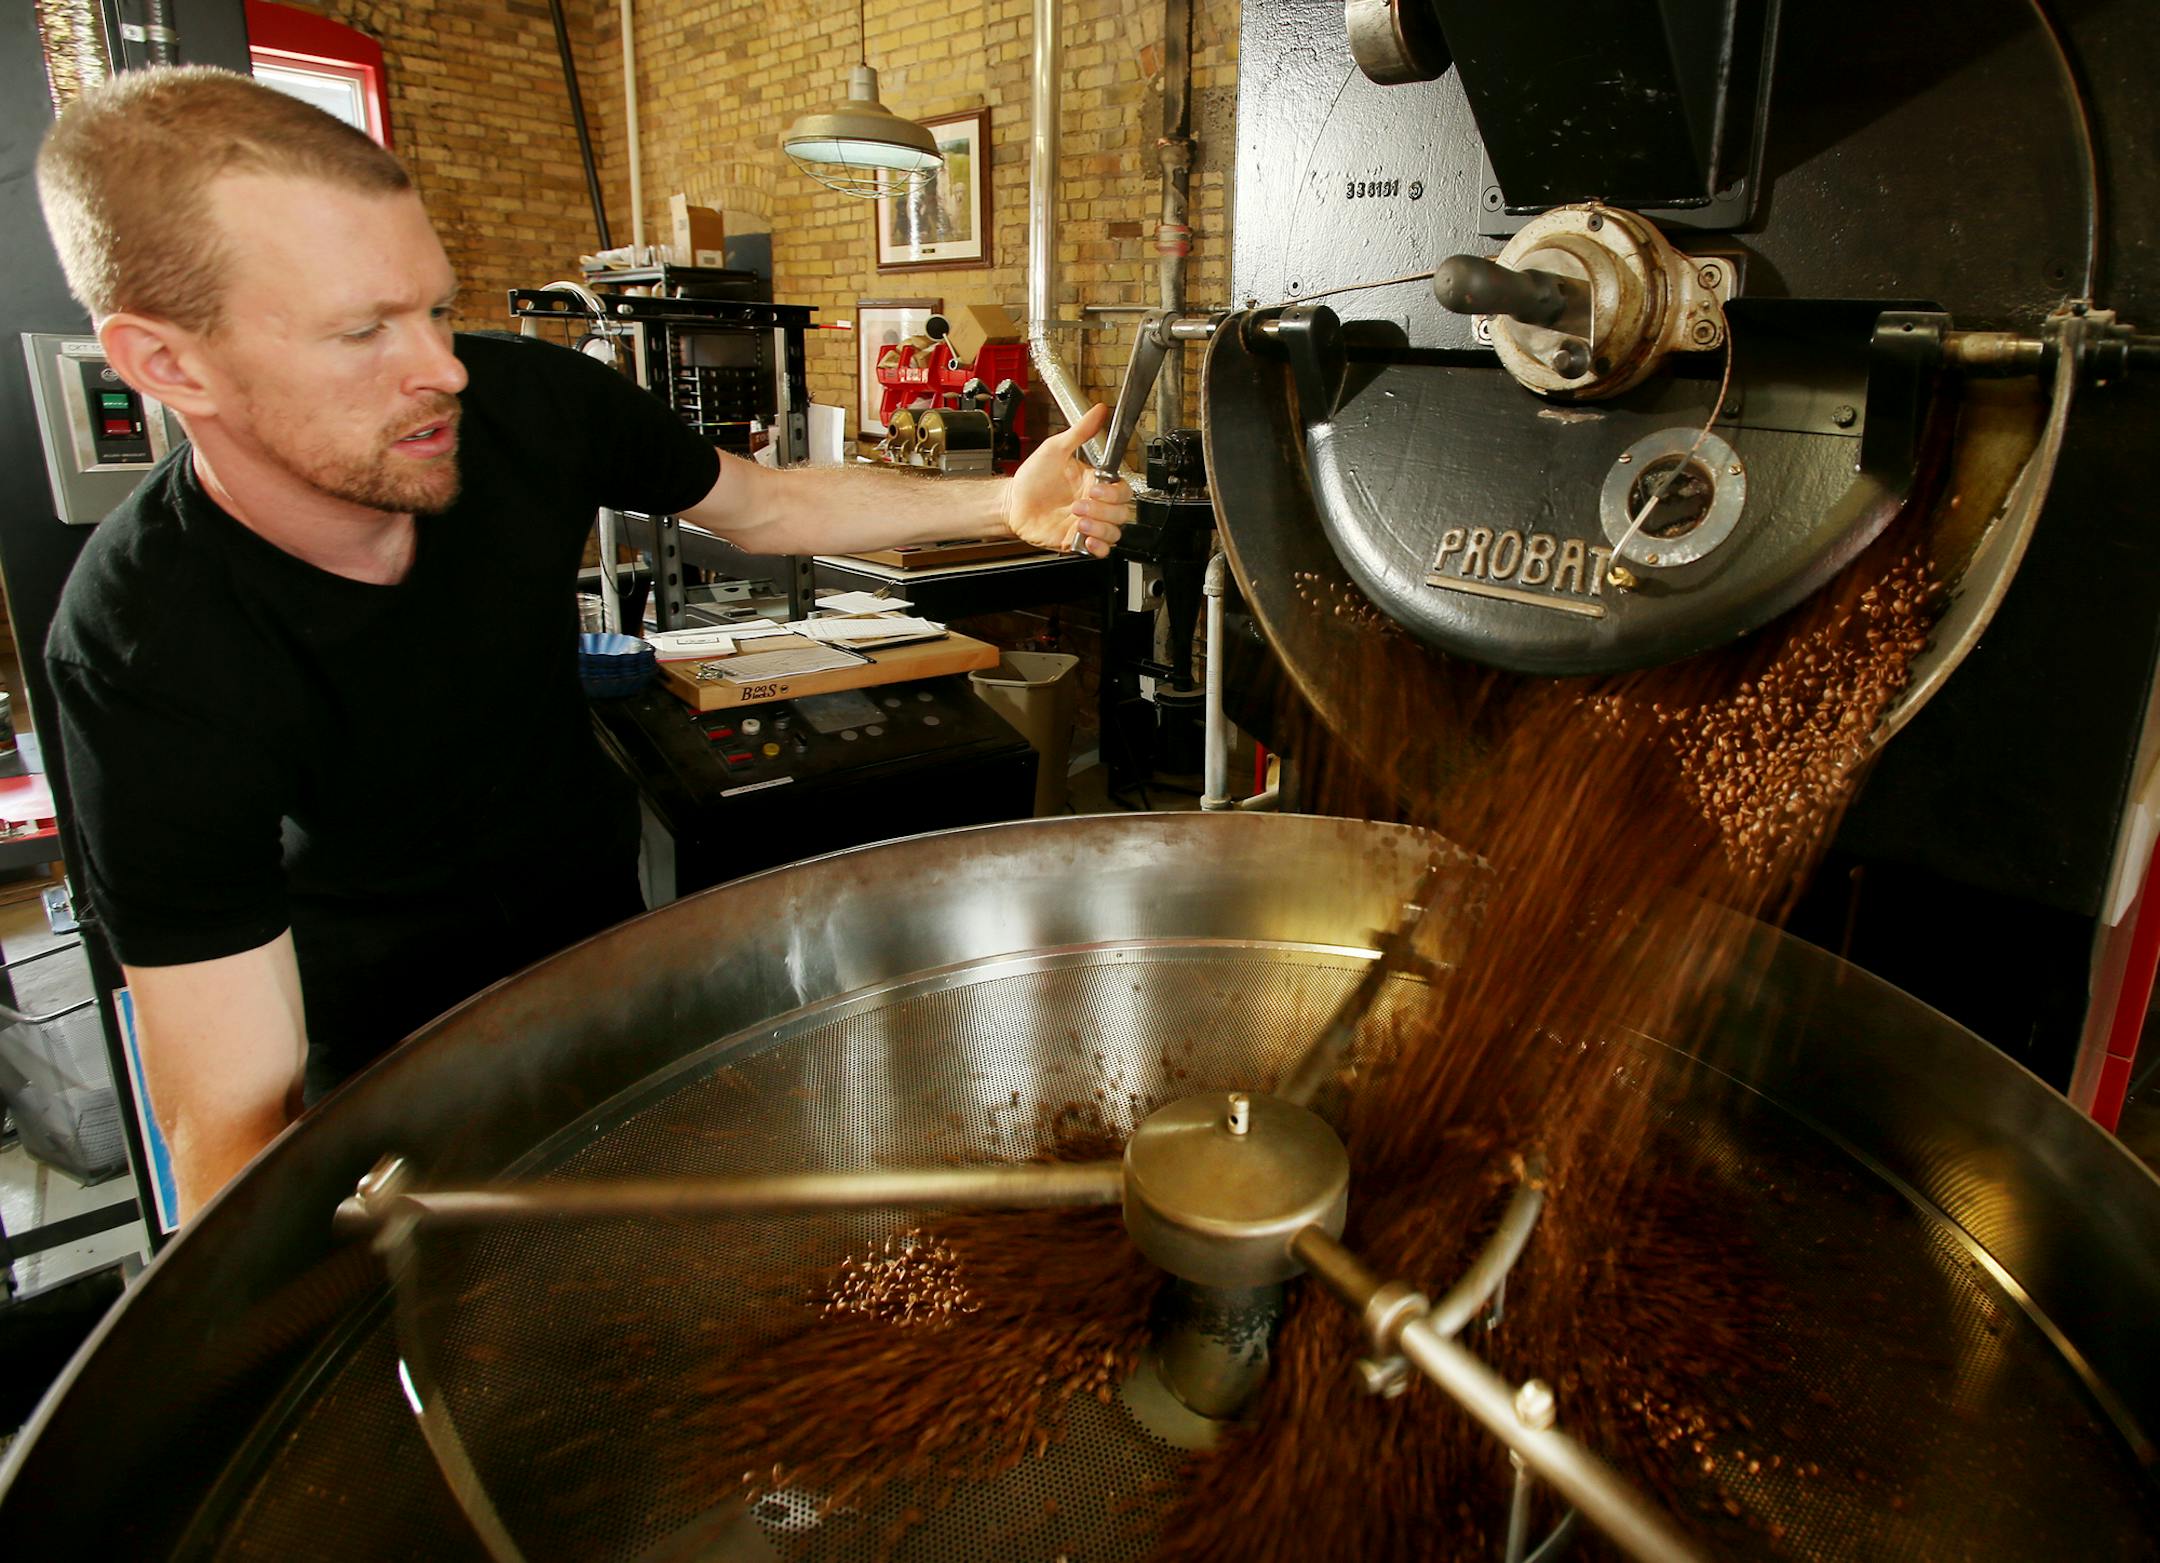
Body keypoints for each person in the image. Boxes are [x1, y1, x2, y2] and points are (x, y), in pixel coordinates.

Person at [33, 67, 1134, 1219]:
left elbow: (766, 508)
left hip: (602, 964)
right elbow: (230, 1106)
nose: (443, 370)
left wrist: (999, 501)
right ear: (167, 364)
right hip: (395, 1072)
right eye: (363, 331)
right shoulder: (143, 647)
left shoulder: (526, 404)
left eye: (432, 309)